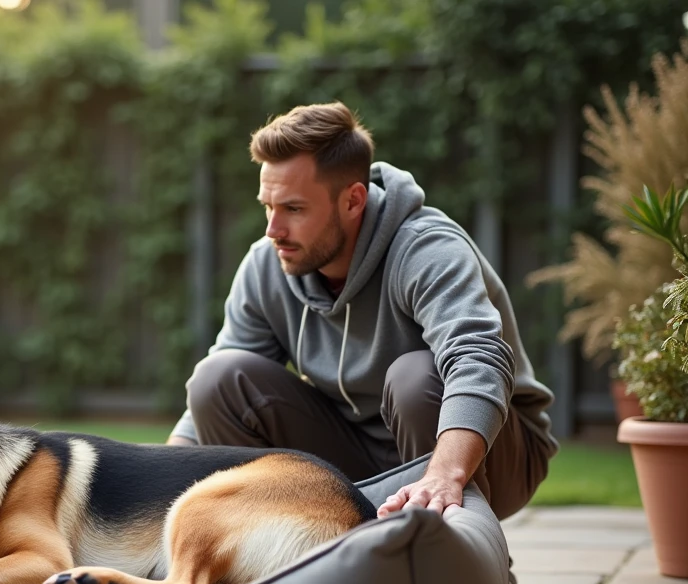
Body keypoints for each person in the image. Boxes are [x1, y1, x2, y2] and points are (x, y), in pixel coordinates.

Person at [167, 101, 558, 542]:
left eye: (294, 209)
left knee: (415, 377)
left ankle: (464, 557)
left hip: (488, 449)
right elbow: (214, 398)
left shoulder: (425, 249)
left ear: (353, 200)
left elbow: (478, 358)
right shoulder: (268, 263)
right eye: (267, 206)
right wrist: (161, 482)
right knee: (218, 377)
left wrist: (445, 473)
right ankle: (275, 555)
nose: (273, 229)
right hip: (354, 445)